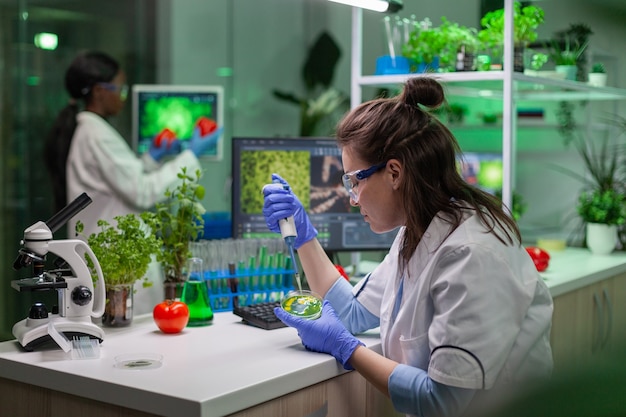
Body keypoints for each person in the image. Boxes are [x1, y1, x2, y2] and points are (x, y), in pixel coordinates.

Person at [262, 77, 553, 417]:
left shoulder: (471, 254)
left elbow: (441, 400)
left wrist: (347, 349)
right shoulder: (418, 231)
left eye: (354, 181)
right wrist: (304, 235)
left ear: (395, 172)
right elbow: (352, 312)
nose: (353, 200)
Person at [43, 50, 222, 237]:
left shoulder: (92, 131)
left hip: (106, 249)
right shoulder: (97, 135)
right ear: (99, 92)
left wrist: (151, 158)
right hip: (109, 253)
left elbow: (122, 180)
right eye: (120, 89)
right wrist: (191, 156)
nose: (123, 96)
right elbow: (143, 192)